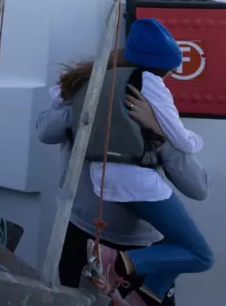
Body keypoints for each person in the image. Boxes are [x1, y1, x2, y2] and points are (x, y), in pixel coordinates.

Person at [54, 19, 214, 305]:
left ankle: (142, 290)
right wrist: (159, 131)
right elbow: (200, 189)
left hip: (86, 233)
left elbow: (44, 131)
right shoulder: (144, 100)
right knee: (197, 252)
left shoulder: (89, 90)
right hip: (119, 240)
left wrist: (83, 109)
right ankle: (127, 275)